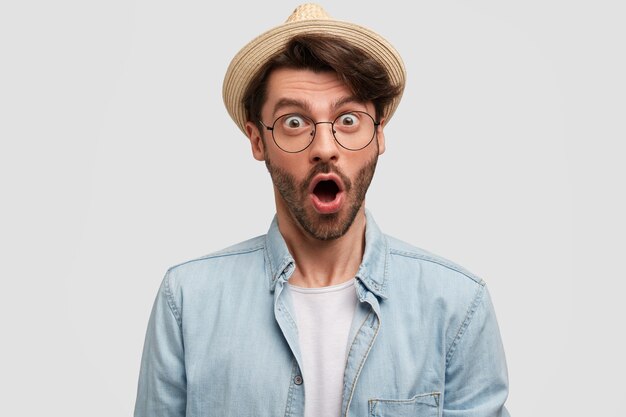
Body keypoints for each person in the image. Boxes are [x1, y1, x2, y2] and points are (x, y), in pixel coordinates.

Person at [134, 4, 510, 417]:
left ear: (379, 133)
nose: (325, 148)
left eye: (348, 119)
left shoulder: (456, 304)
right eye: (294, 123)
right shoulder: (187, 301)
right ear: (257, 140)